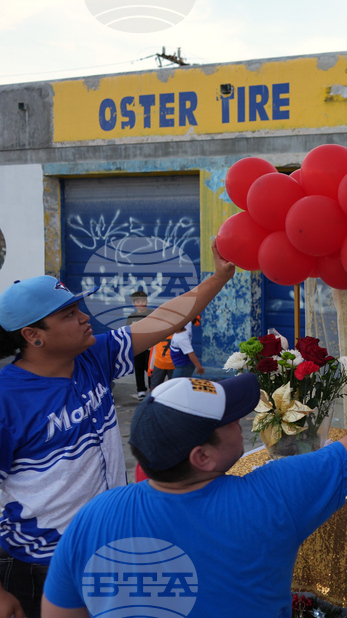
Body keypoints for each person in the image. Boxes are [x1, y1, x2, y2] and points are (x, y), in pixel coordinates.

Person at [40, 344, 347, 618]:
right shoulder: (273, 496)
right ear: (202, 457)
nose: (243, 422)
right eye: (230, 419)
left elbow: (60, 612)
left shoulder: (93, 517)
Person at [0, 239, 235, 618]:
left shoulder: (93, 356)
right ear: (32, 335)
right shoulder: (6, 399)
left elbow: (162, 320)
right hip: (42, 563)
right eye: (69, 314)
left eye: (78, 308)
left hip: (110, 544)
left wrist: (218, 278)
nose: (84, 318)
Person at [126, 289, 152, 399]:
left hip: (150, 347)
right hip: (138, 347)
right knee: (138, 368)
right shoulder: (131, 317)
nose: (141, 304)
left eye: (143, 301)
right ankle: (141, 390)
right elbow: (128, 332)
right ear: (134, 304)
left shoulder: (152, 314)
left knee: (150, 368)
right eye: (138, 302)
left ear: (147, 301)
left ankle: (152, 388)